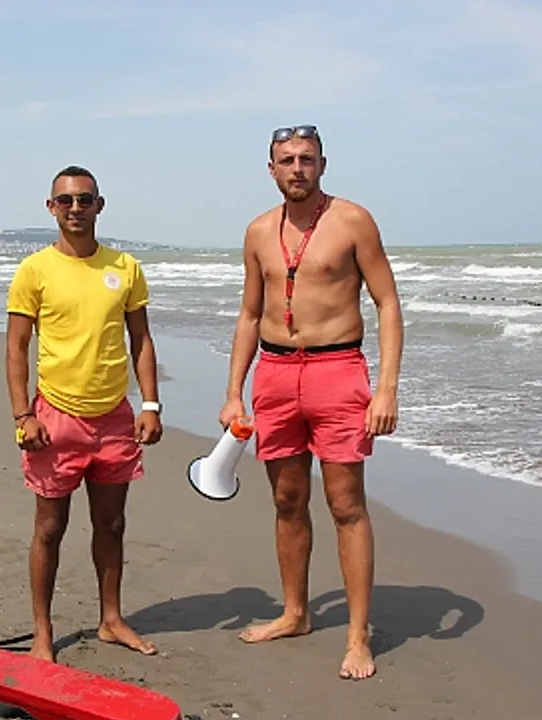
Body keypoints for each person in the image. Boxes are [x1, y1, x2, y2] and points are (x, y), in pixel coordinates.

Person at [218, 125, 404, 681]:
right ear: (271, 169)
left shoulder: (353, 221)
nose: (297, 168)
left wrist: (386, 388)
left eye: (306, 159)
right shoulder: (258, 231)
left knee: (346, 504)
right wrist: (233, 392)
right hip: (275, 374)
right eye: (287, 160)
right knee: (287, 499)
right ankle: (295, 613)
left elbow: (387, 303)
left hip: (336, 370)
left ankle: (357, 635)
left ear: (322, 164)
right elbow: (250, 314)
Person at [5, 165, 164, 663]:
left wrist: (150, 403)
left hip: (114, 417)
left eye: (85, 199)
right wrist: (22, 415)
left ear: (100, 205)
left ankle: (111, 619)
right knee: (49, 528)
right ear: (51, 207)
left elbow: (141, 339)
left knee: (111, 524)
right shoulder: (35, 270)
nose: (76, 208)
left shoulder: (125, 267)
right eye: (66, 200)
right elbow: (16, 347)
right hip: (55, 418)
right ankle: (43, 633)